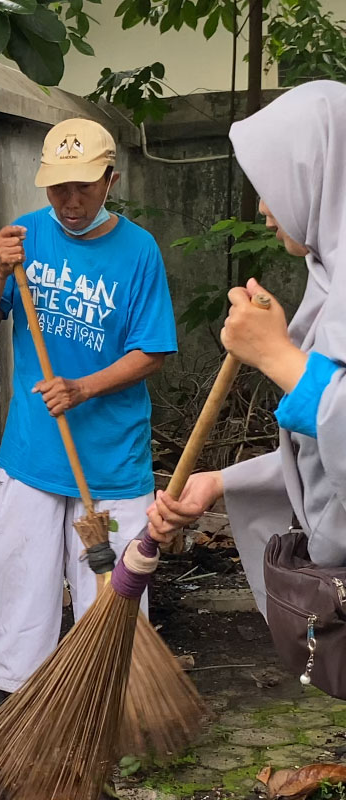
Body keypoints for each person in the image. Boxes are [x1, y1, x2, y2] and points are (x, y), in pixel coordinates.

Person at [0, 118, 178, 726]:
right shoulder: (22, 239)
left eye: (84, 186)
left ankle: (110, 696)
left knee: (109, 592)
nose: (70, 200)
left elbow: (153, 349)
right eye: (58, 187)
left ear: (111, 179)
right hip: (33, 449)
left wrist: (84, 387)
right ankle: (10, 688)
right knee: (16, 572)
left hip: (109, 457)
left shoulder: (139, 251)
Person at [146, 81, 346, 617]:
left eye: (270, 185)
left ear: (315, 172)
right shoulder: (329, 279)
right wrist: (218, 481)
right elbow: (327, 449)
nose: (262, 208)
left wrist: (276, 355)